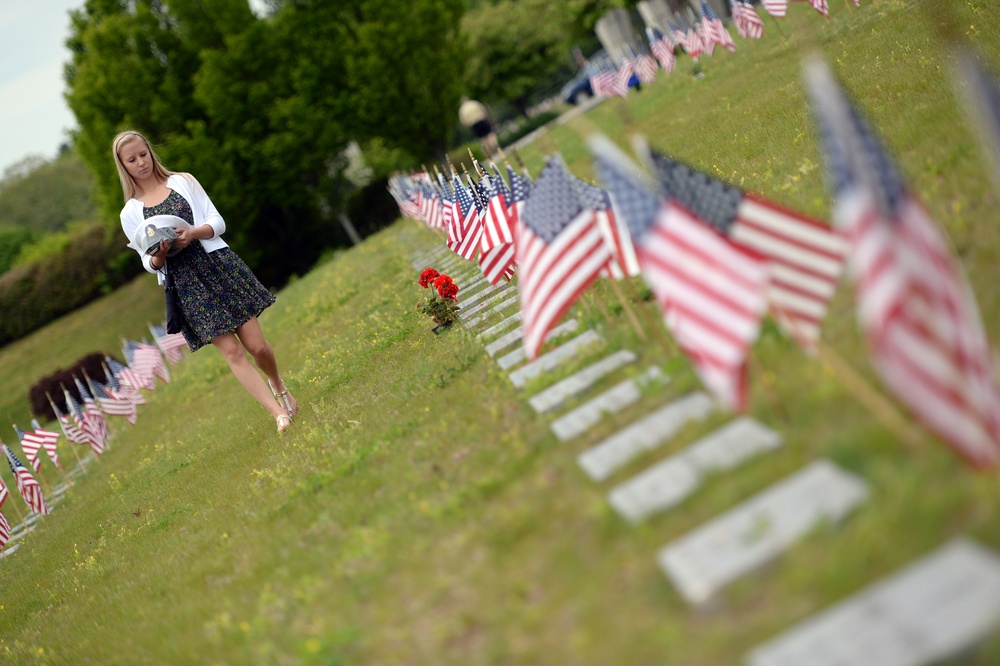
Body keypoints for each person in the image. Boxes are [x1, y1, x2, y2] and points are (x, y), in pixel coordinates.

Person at [113, 130, 298, 433]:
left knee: (257, 346)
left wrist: (193, 233)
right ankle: (279, 413)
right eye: (132, 160)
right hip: (187, 287)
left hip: (217, 266)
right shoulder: (130, 212)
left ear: (150, 152)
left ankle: (277, 383)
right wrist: (159, 255)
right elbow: (148, 263)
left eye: (143, 154)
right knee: (233, 352)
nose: (141, 162)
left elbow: (217, 221)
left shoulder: (183, 182)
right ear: (124, 166)